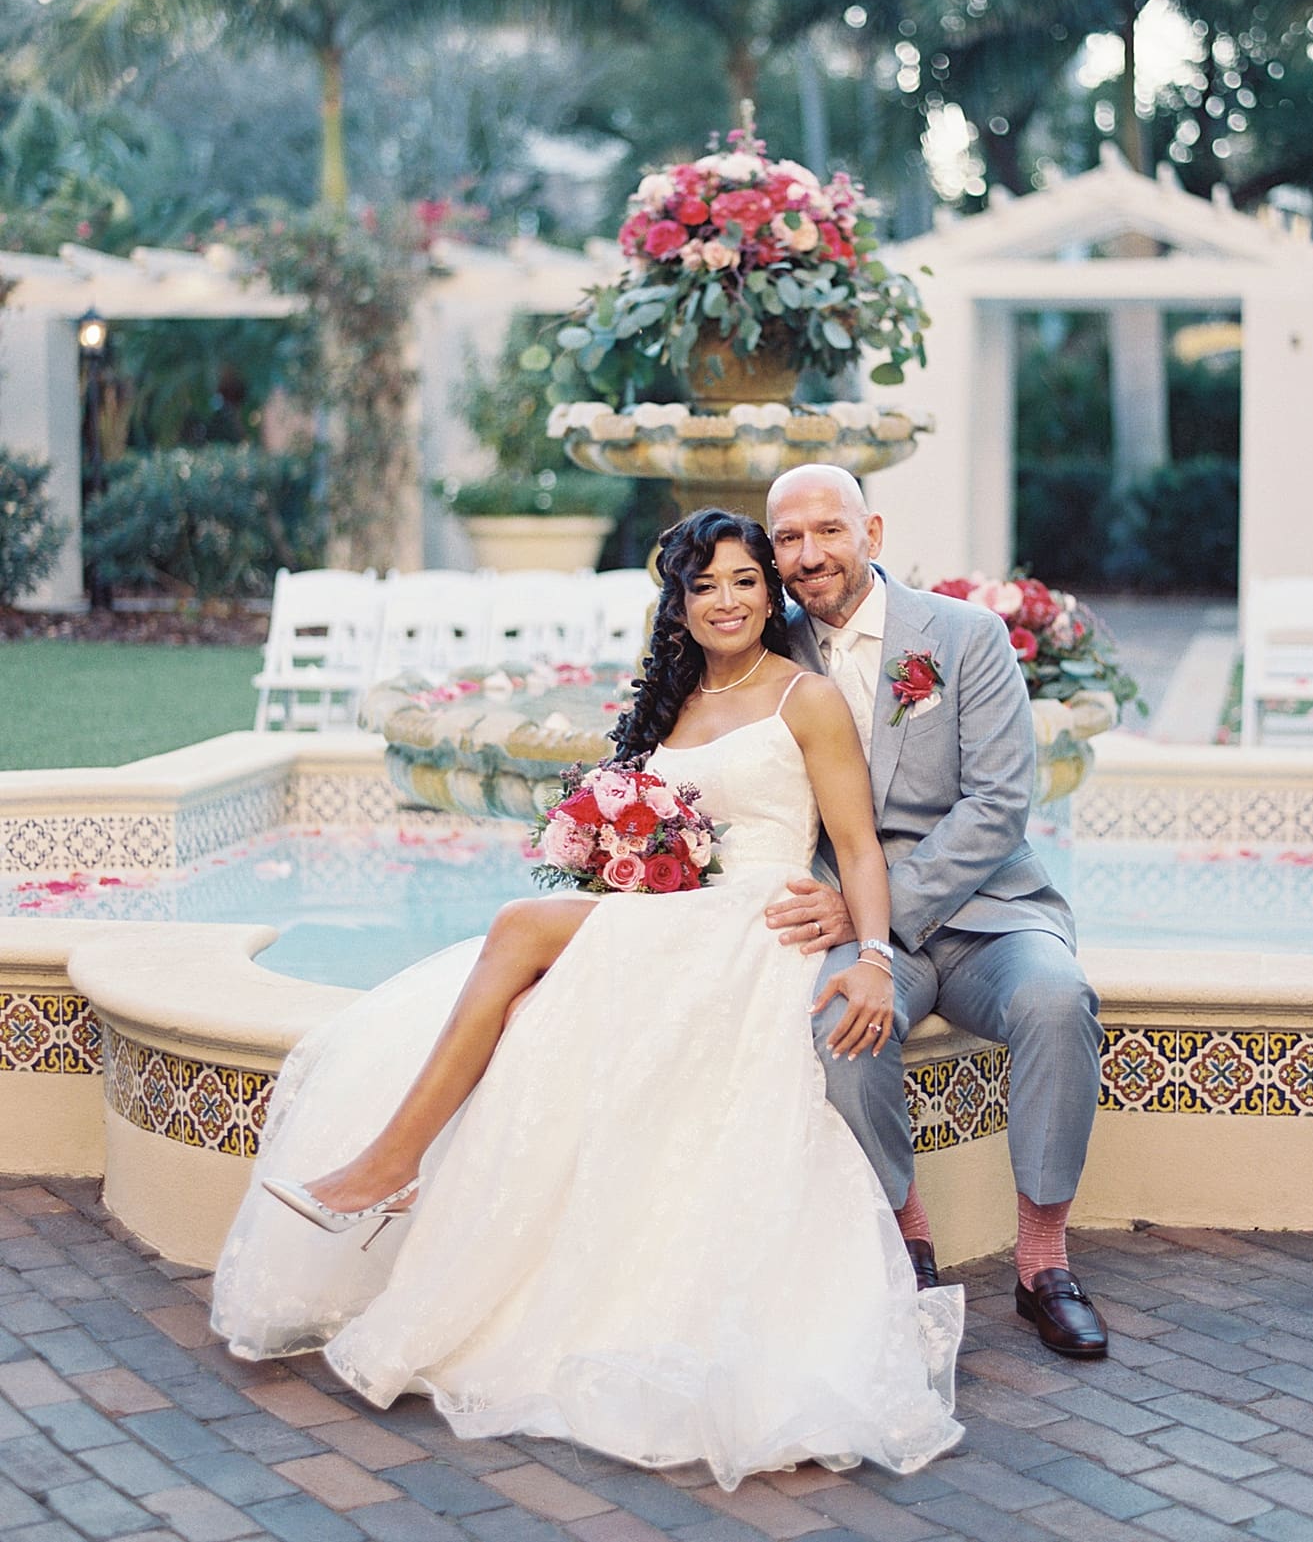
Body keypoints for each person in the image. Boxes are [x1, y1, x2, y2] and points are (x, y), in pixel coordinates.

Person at [211, 509, 963, 1490]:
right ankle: (394, 1169)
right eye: (706, 586)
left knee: (519, 929)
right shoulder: (675, 701)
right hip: (680, 921)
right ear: (680, 605)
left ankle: (392, 1163)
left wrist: (869, 952)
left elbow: (858, 845)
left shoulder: (806, 697)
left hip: (756, 924)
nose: (728, 600)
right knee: (522, 1006)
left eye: (745, 580)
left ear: (769, 594)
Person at [761, 464, 1108, 1359]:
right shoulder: (769, 654)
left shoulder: (963, 636)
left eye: (828, 530)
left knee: (1057, 999)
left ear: (871, 533)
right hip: (864, 932)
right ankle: (906, 1242)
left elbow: (999, 802)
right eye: (789, 539)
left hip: (990, 909)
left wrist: (871, 907)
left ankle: (1043, 1262)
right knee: (838, 1019)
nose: (810, 554)